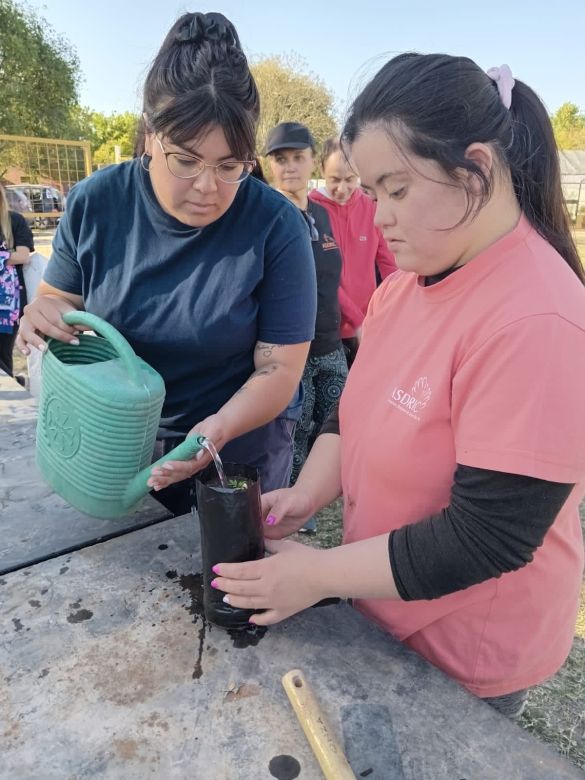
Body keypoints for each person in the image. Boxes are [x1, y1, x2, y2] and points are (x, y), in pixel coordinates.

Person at [210, 55, 585, 719]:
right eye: (370, 190)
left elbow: (486, 538)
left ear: (476, 167)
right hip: (384, 598)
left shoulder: (539, 318)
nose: (378, 215)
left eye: (396, 189)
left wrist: (318, 574)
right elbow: (351, 414)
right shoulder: (405, 284)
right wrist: (309, 492)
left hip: (465, 642)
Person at [16, 11, 317, 515]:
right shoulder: (95, 203)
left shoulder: (276, 225)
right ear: (152, 134)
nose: (206, 186)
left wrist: (215, 431)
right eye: (185, 159)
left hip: (238, 442)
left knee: (227, 576)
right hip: (115, 435)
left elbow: (279, 368)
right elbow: (59, 300)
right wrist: (40, 315)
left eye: (229, 166)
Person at [265, 122, 347, 533]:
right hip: (291, 353)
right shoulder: (267, 216)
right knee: (291, 436)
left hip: (332, 346)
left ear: (313, 159)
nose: (290, 167)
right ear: (269, 165)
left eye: (298, 157)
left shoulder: (322, 213)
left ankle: (325, 493)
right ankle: (297, 511)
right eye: (281, 159)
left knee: (336, 425)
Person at [309, 137, 396, 365]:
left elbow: (389, 264)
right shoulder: (311, 210)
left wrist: (394, 304)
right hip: (329, 330)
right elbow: (319, 276)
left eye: (350, 179)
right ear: (321, 171)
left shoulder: (370, 206)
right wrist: (357, 320)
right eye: (334, 180)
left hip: (370, 322)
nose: (342, 189)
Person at [0, 184, 34, 377]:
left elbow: (23, 256)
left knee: (3, 356)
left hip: (8, 305)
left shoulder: (14, 221)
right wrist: (6, 256)